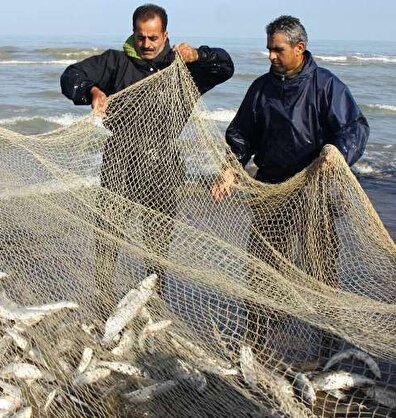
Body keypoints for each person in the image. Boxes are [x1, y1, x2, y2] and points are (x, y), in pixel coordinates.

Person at [211, 15, 369, 360]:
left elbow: (355, 127)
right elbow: (241, 134)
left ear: (300, 48)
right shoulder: (262, 89)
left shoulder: (326, 86)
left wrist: (337, 152)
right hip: (271, 188)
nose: (270, 56)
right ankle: (259, 336)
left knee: (320, 268)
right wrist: (230, 168)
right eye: (268, 49)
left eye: (277, 49)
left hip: (316, 188)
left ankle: (328, 343)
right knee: (263, 266)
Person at [60, 4, 234, 307]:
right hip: (120, 157)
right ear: (133, 34)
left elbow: (226, 66)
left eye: (153, 38)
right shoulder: (115, 62)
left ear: (165, 34)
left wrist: (198, 55)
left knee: (157, 237)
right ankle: (103, 295)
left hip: (163, 159)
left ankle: (154, 299)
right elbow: (70, 76)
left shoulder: (182, 65)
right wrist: (92, 91)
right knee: (109, 231)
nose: (147, 44)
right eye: (141, 38)